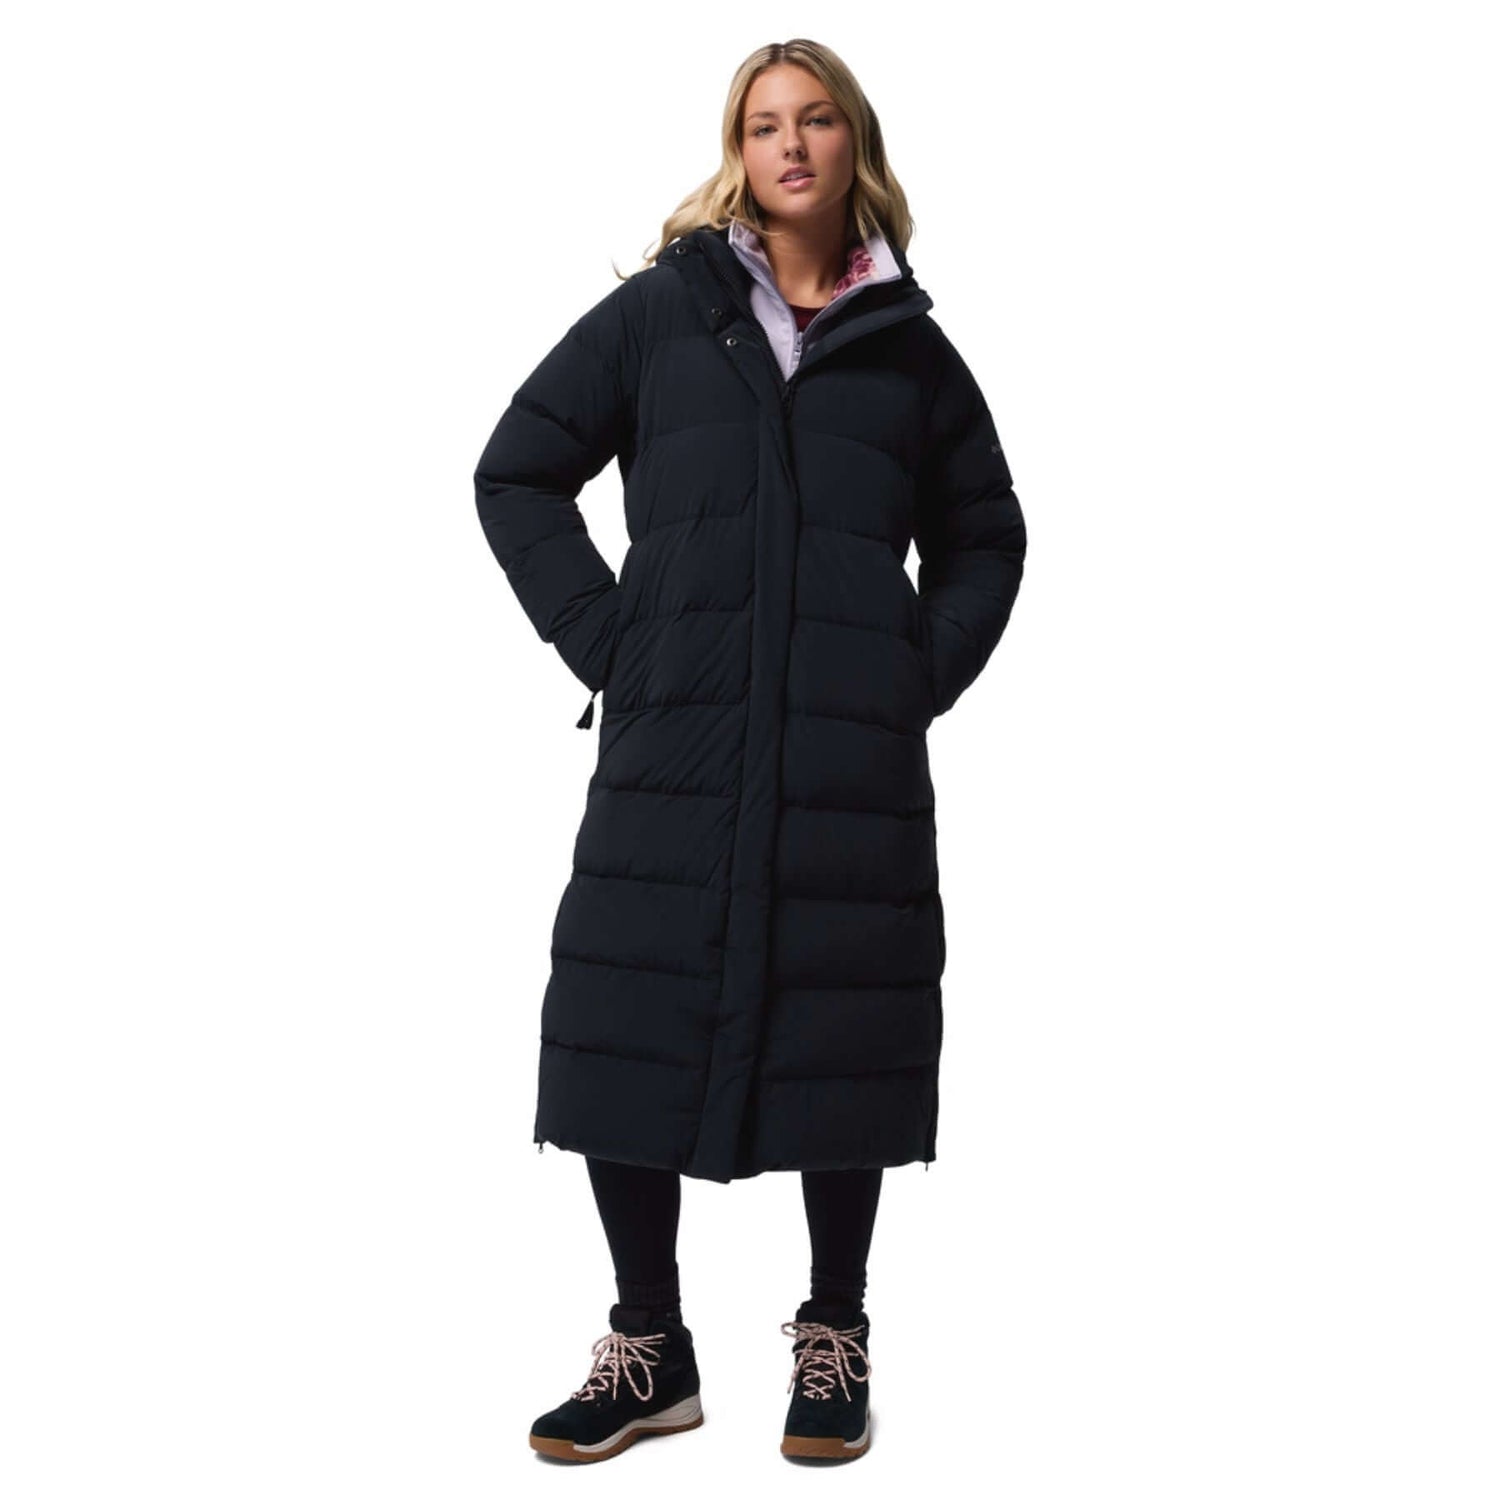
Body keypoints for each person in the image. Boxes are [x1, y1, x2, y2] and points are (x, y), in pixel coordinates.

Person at [473, 38, 1026, 1464]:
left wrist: (912, 673)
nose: (790, 143)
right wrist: (613, 640)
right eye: (764, 122)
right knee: (625, 1006)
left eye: (816, 119)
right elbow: (516, 470)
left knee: (849, 1014)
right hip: (678, 738)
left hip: (848, 755)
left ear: (854, 145)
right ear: (738, 149)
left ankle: (834, 1330)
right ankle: (648, 1344)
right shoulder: (663, 315)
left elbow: (988, 533)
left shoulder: (908, 348)